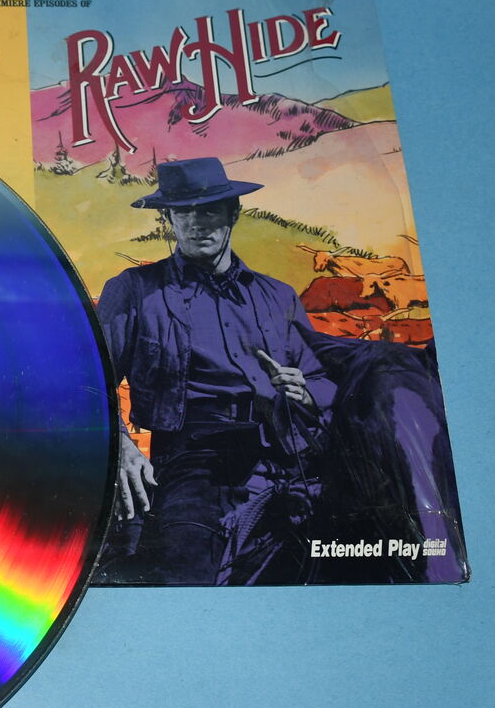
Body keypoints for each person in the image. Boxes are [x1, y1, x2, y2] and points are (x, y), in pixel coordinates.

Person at [96, 157, 336, 585]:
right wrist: (121, 447)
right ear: (168, 219)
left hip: (286, 452)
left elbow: (322, 381)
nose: (196, 224)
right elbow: (90, 384)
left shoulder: (277, 296)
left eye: (208, 211)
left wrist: (305, 391)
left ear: (233, 213)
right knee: (187, 569)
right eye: (183, 212)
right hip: (194, 461)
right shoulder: (134, 291)